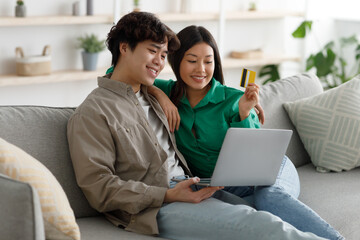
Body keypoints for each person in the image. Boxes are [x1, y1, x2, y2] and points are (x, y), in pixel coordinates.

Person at [67, 11, 325, 240]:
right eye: (153, 50)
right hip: (159, 204)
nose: (159, 61)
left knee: (267, 206)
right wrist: (167, 195)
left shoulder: (155, 94)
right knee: (263, 225)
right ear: (124, 48)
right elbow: (98, 188)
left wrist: (157, 93)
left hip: (198, 184)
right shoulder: (93, 112)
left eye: (164, 54)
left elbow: (135, 79)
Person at [143, 25, 343, 240]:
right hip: (223, 186)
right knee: (249, 215)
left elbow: (255, 153)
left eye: (208, 61)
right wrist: (158, 94)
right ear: (176, 60)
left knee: (269, 198)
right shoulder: (168, 92)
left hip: (271, 169)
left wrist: (244, 113)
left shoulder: (233, 99)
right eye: (192, 61)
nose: (201, 69)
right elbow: (120, 73)